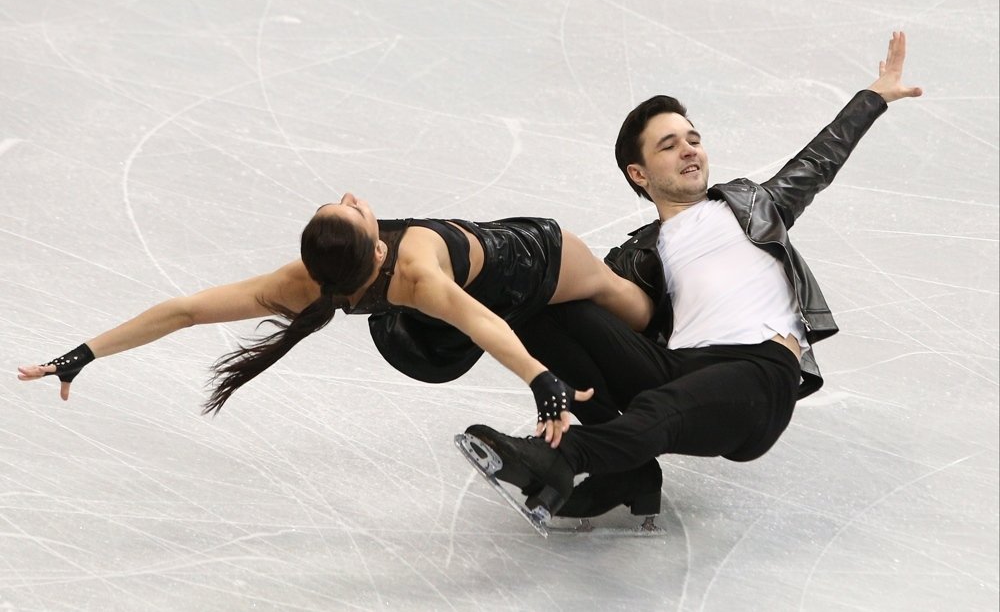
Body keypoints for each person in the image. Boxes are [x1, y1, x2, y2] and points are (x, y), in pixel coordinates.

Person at [463, 31, 924, 521]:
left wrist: (875, 96)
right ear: (639, 174)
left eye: (694, 140)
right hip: (678, 369)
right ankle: (628, 473)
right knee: (545, 308)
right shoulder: (639, 254)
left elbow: (819, 160)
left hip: (757, 372)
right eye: (669, 145)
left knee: (662, 409)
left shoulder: (754, 206)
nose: (689, 150)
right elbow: (594, 316)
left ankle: (563, 458)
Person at [17, 202, 653, 444]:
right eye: (351, 210)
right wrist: (540, 379)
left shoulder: (303, 282)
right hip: (535, 262)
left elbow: (185, 311)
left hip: (445, 321)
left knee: (608, 315)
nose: (353, 198)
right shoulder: (418, 270)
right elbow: (486, 323)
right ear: (377, 247)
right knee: (630, 301)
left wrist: (83, 354)